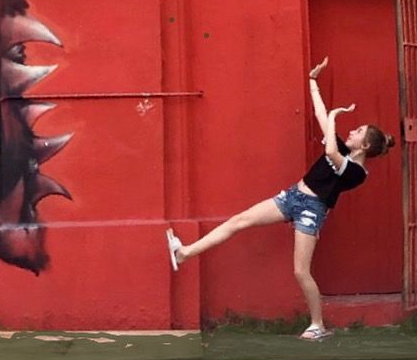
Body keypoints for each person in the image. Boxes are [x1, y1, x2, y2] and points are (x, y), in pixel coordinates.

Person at [165, 56, 395, 340]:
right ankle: (184, 253)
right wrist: (312, 81)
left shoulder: (357, 172)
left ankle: (318, 325)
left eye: (358, 131)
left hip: (312, 210)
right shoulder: (342, 148)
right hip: (292, 196)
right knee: (239, 220)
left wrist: (335, 117)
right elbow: (320, 114)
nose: (352, 130)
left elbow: (330, 153)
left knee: (300, 271)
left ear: (366, 145)